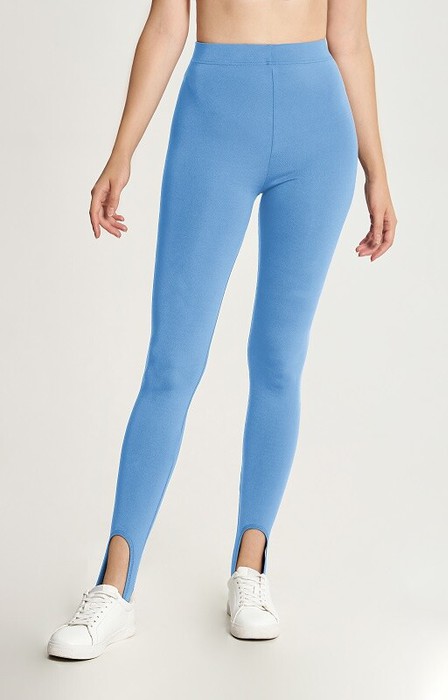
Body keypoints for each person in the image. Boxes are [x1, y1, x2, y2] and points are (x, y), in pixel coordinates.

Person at [47, 0, 397, 659]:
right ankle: (113, 589)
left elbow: (349, 41)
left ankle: (250, 568)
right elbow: (167, 24)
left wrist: (376, 170)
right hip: (214, 121)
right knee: (172, 362)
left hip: (319, 132)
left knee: (279, 359)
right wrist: (121, 152)